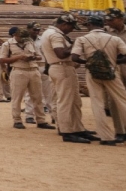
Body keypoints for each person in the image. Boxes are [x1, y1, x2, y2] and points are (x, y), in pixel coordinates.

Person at [69, 15, 126, 146]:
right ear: (102, 25)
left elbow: (74, 57)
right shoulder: (114, 38)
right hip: (112, 72)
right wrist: (115, 62)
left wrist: (87, 62)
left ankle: (106, 137)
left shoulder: (82, 39)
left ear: (89, 25)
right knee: (125, 103)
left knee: (97, 104)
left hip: (93, 74)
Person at [39, 14, 93, 144]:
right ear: (64, 24)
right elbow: (61, 54)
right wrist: (75, 44)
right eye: (71, 27)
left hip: (62, 67)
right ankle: (67, 131)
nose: (71, 30)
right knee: (66, 101)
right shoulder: (55, 35)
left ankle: (77, 128)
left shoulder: (50, 33)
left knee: (74, 100)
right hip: (61, 67)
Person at [0, 26, 52, 131]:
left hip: (33, 69)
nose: (23, 40)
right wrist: (19, 57)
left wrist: (33, 57)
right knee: (17, 98)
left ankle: (41, 120)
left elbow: (39, 56)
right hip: (18, 70)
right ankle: (17, 120)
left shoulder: (29, 43)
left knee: (38, 97)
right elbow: (2, 59)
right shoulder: (7, 44)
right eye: (21, 37)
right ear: (15, 36)